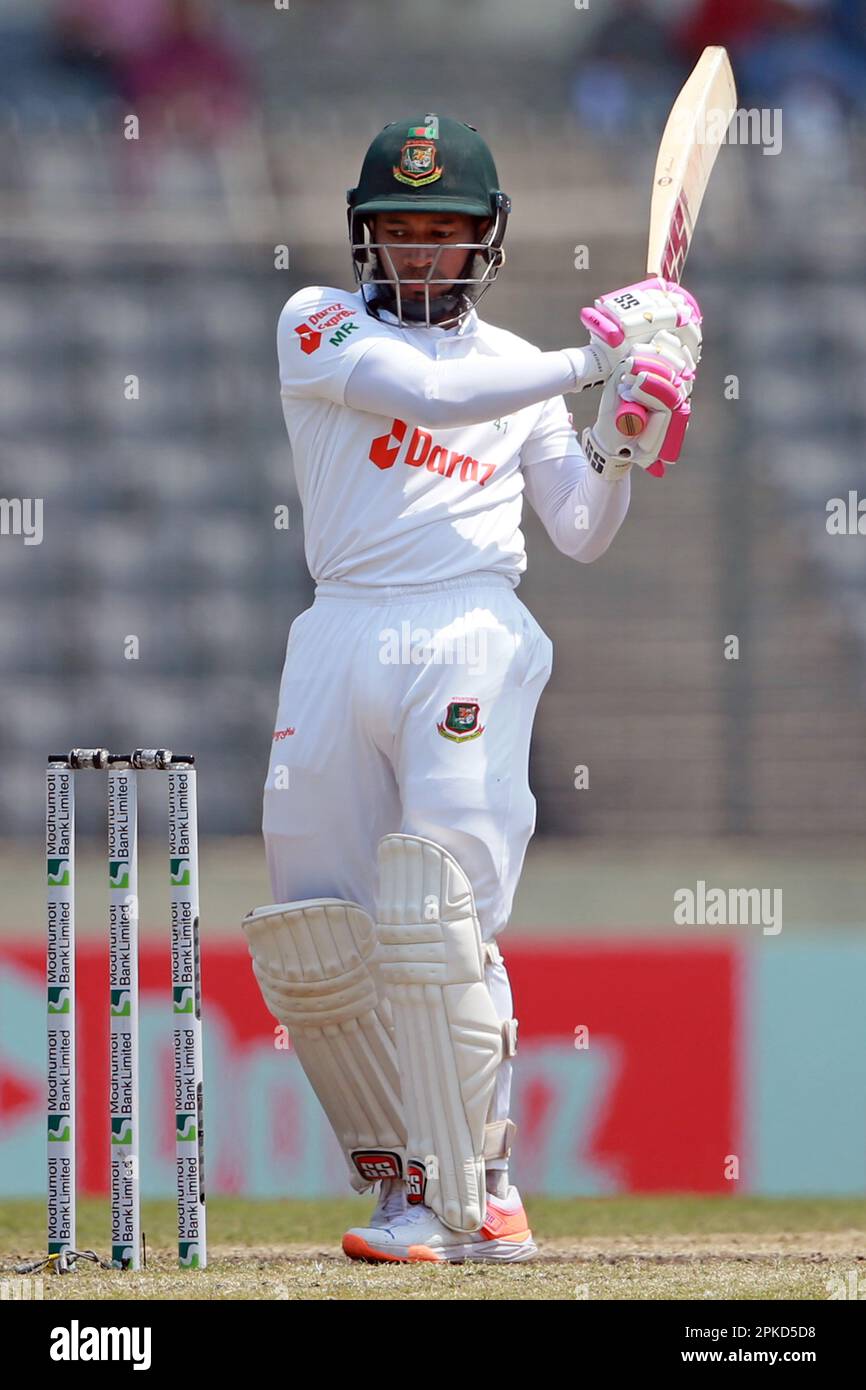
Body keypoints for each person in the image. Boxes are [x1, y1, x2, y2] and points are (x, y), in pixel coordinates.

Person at [242, 114, 701, 1263]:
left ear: (483, 239)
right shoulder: (316, 322)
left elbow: (583, 529)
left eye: (443, 230)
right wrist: (597, 357)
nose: (419, 252)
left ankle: (485, 1191)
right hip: (336, 628)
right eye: (397, 229)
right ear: (362, 236)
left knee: (434, 908)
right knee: (314, 936)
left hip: (466, 630)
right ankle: (409, 1194)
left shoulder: (521, 372)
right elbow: (425, 400)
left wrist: (625, 415)